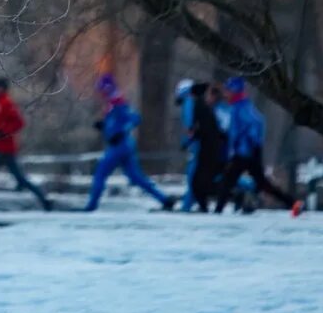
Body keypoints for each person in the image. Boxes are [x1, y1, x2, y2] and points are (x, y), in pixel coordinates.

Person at [84, 74, 177, 211]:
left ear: (107, 88)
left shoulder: (117, 102)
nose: (100, 93)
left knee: (100, 173)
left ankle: (91, 206)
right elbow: (115, 123)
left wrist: (121, 132)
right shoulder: (112, 103)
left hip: (119, 147)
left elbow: (134, 118)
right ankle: (164, 199)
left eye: (101, 89)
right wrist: (103, 125)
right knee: (136, 178)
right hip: (125, 146)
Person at [211, 77, 302, 214]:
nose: (226, 93)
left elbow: (255, 123)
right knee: (261, 183)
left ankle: (218, 210)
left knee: (228, 181)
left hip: (245, 152)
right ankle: (292, 203)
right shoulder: (238, 106)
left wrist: (249, 144)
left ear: (235, 91)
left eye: (228, 90)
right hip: (245, 151)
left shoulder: (241, 107)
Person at [0, 78, 52, 211]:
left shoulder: (6, 103)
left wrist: (4, 133)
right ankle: (44, 200)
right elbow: (0, 124)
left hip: (5, 149)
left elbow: (18, 123)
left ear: (1, 88)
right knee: (15, 179)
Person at [187, 81, 228, 212]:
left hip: (208, 151)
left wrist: (194, 135)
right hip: (212, 149)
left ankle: (206, 205)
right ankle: (205, 204)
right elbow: (212, 129)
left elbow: (204, 129)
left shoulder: (199, 107)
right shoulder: (206, 108)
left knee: (197, 182)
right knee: (203, 181)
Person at [175, 78, 198, 211]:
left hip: (196, 147)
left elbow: (189, 125)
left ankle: (187, 205)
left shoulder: (188, 103)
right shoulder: (194, 102)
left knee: (192, 175)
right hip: (197, 145)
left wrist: (187, 142)